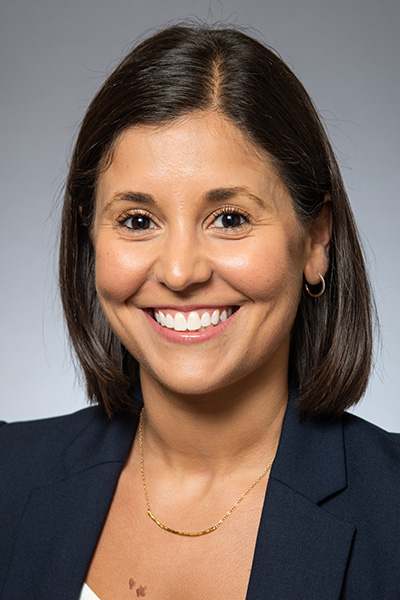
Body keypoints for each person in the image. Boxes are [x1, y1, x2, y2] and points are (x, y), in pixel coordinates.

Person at [1, 23, 399, 600]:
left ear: (316, 240)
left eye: (230, 218)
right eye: (137, 221)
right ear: (91, 239)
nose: (181, 272)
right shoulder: (8, 478)